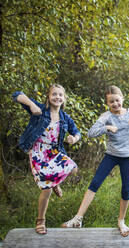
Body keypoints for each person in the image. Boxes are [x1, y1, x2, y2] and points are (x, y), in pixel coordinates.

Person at [61, 85, 129, 237]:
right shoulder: (106, 116)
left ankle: (121, 221)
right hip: (111, 156)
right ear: (107, 103)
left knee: (126, 189)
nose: (115, 104)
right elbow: (91, 133)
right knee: (94, 184)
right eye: (111, 102)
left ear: (122, 99)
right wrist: (107, 128)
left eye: (117, 100)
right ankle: (78, 219)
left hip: (127, 157)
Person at [12, 84, 80, 235]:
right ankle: (40, 221)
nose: (57, 97)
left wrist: (73, 138)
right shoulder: (40, 109)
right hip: (38, 152)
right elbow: (17, 94)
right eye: (54, 94)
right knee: (47, 189)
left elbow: (77, 132)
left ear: (64, 98)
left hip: (54, 152)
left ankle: (54, 180)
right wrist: (30, 104)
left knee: (73, 168)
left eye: (60, 95)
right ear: (49, 97)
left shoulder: (65, 118)